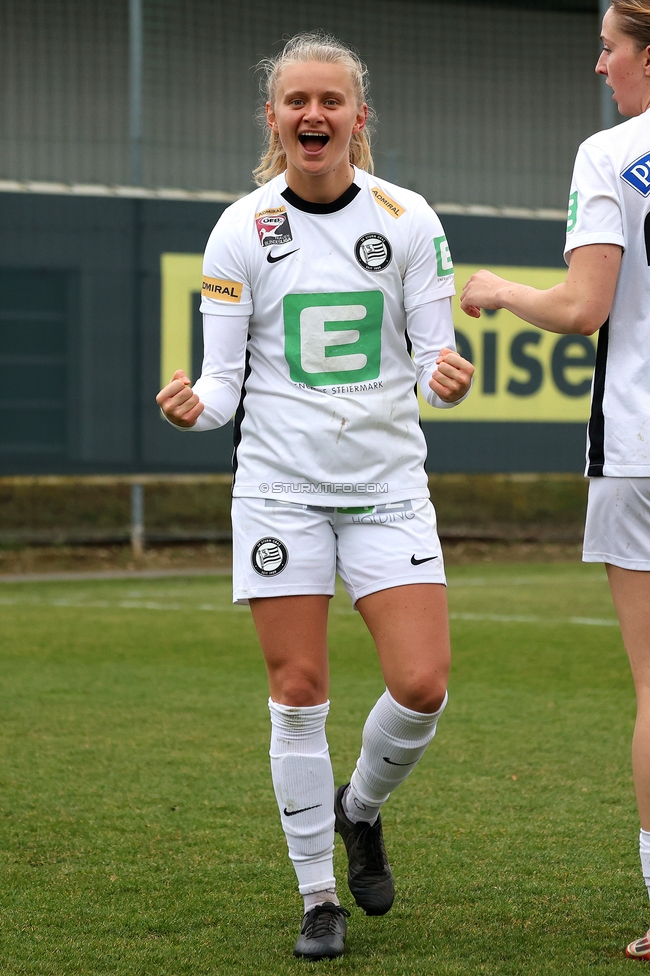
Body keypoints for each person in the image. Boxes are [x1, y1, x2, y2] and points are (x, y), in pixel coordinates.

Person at [157, 31, 473, 961]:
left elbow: (429, 360)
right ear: (273, 117)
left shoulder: (409, 218)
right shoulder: (237, 229)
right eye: (296, 100)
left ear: (358, 118)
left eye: (331, 101)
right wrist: (189, 408)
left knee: (421, 686)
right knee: (298, 694)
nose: (313, 114)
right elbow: (220, 393)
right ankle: (317, 897)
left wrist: (445, 378)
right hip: (281, 493)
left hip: (386, 490)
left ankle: (359, 808)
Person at [460, 0, 650, 959]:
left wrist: (496, 291)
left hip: (641, 448)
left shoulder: (610, 154)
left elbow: (584, 307)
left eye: (608, 47)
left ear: (645, 55)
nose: (599, 65)